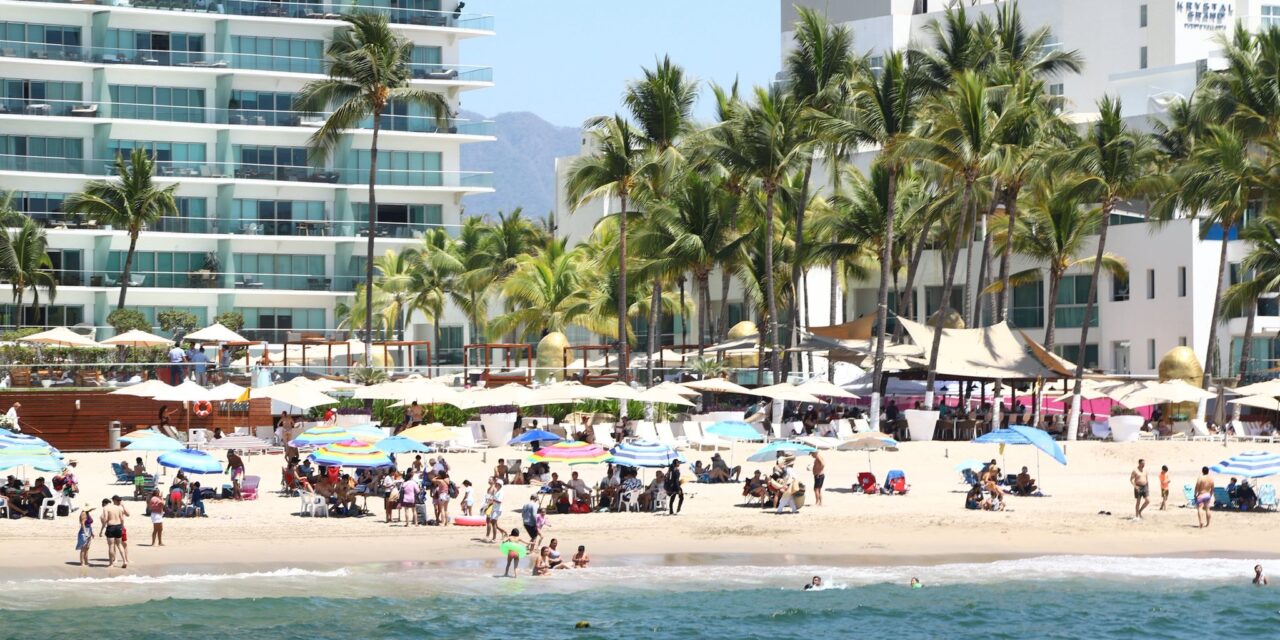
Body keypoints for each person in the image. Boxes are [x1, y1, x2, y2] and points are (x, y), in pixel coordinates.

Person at [101, 495, 129, 568]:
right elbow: (122, 519)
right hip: (119, 526)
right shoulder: (118, 508)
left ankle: (111, 564)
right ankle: (124, 561)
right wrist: (122, 526)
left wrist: (102, 527)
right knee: (119, 545)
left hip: (111, 527)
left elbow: (105, 519)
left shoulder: (105, 508)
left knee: (111, 546)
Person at [75, 501, 95, 566]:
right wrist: (85, 532)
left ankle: (86, 561)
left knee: (87, 547)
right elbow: (83, 523)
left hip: (89, 530)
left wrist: (91, 533)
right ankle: (82, 562)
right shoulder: (83, 513)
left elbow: (89, 524)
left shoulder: (87, 513)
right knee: (83, 548)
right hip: (84, 531)